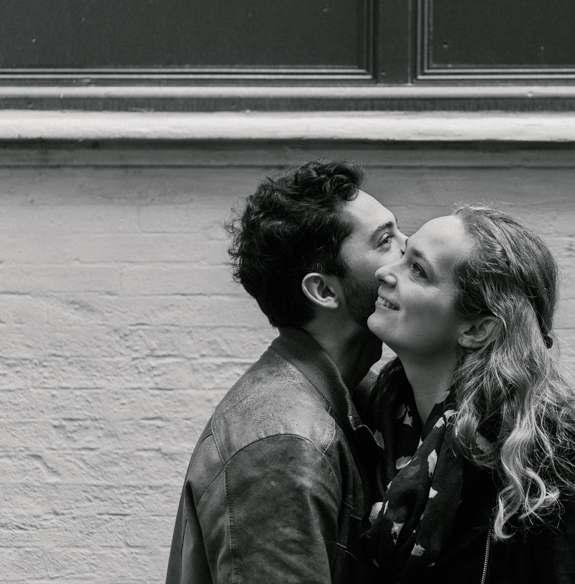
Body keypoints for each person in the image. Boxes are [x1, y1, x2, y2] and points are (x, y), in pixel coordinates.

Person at [166, 161, 406, 584]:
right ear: (324, 290)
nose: (409, 248)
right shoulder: (284, 443)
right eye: (386, 240)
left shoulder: (356, 395)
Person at [361, 205, 575, 584]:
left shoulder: (543, 455)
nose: (385, 272)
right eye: (402, 256)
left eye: (417, 270)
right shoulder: (376, 415)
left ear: (476, 329)